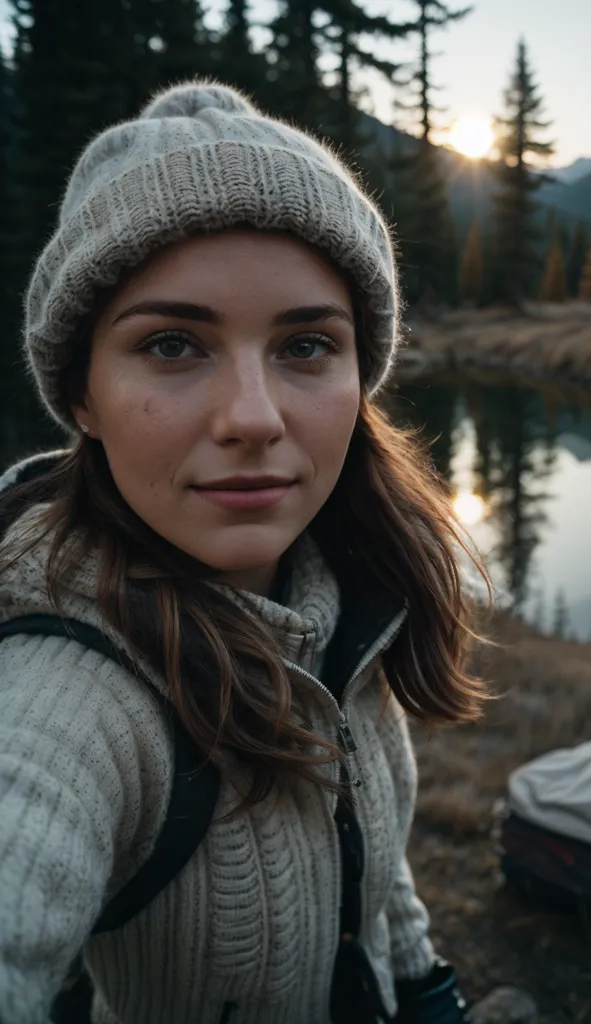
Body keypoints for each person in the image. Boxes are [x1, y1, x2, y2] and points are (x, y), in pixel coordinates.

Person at [0, 82, 488, 1024]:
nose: (255, 420)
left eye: (307, 345)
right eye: (175, 343)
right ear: (84, 397)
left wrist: (425, 991)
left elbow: (372, 865)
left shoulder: (354, 589)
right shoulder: (66, 698)